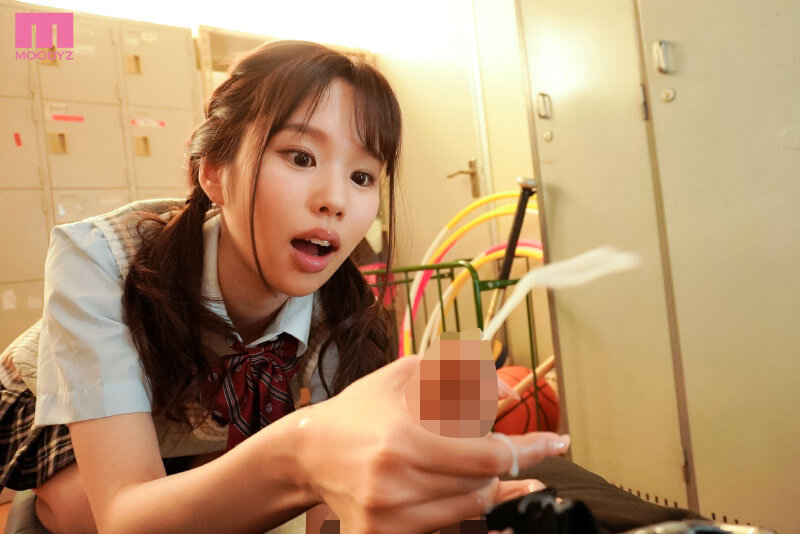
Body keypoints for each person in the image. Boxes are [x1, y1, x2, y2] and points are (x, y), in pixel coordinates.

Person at [0, 40, 570, 534]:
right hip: (72, 404)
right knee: (82, 513)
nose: (335, 200)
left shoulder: (346, 315)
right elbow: (125, 517)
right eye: (300, 157)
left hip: (208, 431)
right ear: (213, 171)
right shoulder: (101, 257)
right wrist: (304, 450)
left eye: (362, 176)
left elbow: (334, 505)